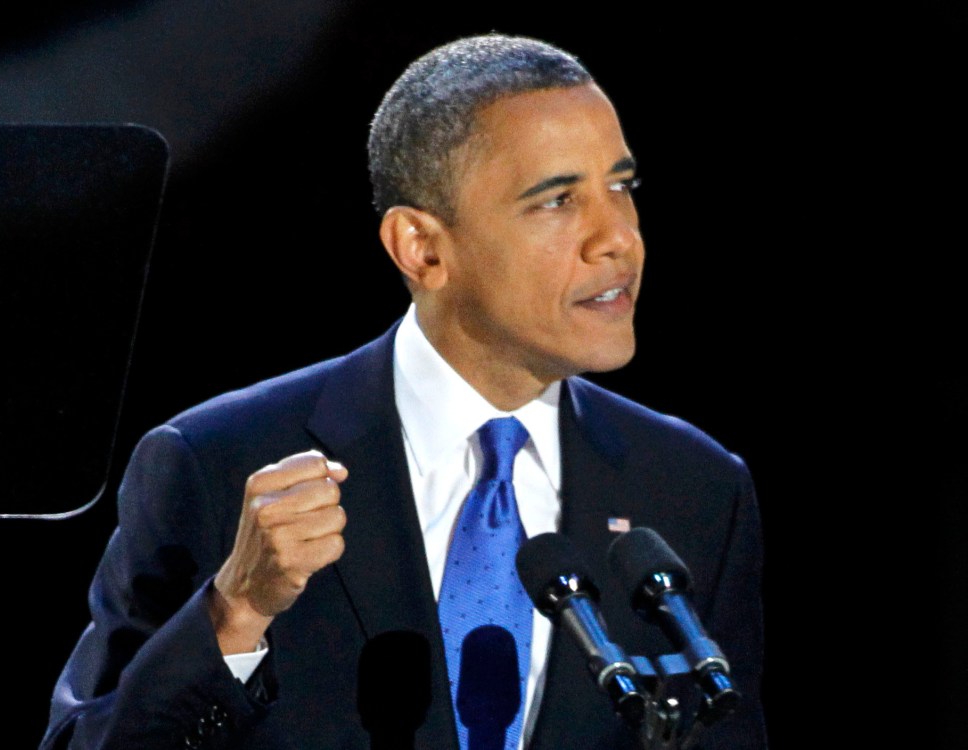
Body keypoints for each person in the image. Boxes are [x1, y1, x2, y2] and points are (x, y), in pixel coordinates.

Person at [40, 33, 767, 750]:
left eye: (622, 185)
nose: (618, 237)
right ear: (422, 248)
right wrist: (234, 611)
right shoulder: (216, 461)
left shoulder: (694, 488)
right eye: (557, 200)